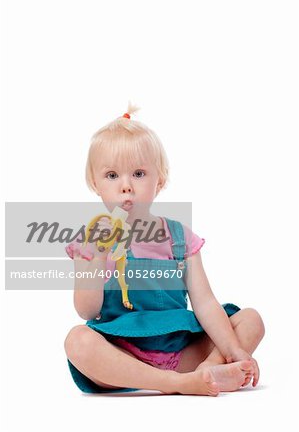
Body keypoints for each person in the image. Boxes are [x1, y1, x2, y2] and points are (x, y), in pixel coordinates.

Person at [64, 102, 265, 396]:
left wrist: (233, 350)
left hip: (181, 351)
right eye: (112, 176)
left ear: (160, 179)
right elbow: (87, 309)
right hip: (125, 358)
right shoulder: (90, 240)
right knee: (77, 341)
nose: (126, 186)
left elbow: (205, 303)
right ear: (94, 183)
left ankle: (208, 369)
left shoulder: (178, 237)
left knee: (251, 320)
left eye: (139, 174)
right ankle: (183, 384)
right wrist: (97, 256)